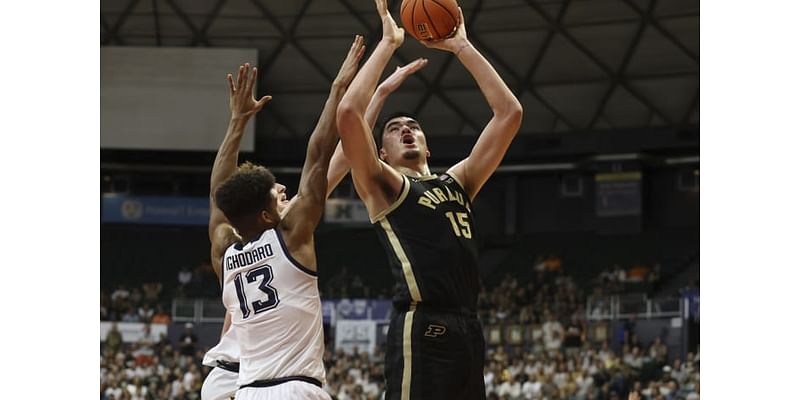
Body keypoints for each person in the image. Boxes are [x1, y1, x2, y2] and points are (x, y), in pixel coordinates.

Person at [200, 38, 427, 400]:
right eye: (279, 196)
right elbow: (321, 156)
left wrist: (238, 122)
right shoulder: (291, 235)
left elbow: (218, 199)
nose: (285, 194)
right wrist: (340, 88)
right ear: (266, 214)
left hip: (237, 386)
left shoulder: (226, 253)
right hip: (275, 381)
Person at [335, 0, 523, 398]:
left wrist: (461, 46)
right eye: (394, 128)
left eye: (414, 126)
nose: (406, 130)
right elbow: (350, 113)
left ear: (428, 146)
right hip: (421, 326)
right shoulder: (383, 185)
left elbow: (509, 114)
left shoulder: (459, 181)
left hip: (469, 327)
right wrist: (387, 48)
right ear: (380, 152)